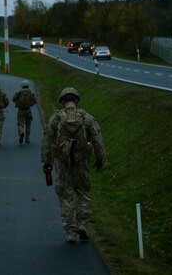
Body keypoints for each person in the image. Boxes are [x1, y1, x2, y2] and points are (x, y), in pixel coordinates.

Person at [41, 87, 106, 244]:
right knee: (82, 192)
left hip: (63, 164)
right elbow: (98, 140)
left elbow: (47, 141)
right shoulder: (86, 117)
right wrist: (100, 159)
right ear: (76, 101)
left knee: (65, 195)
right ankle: (82, 224)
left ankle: (70, 231)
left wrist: (46, 162)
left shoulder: (56, 118)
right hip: (82, 162)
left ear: (63, 101)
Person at [12, 80, 37, 144]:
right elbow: (35, 101)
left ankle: (21, 132)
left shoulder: (19, 92)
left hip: (20, 110)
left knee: (20, 123)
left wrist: (17, 101)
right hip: (28, 110)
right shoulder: (30, 92)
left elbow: (13, 99)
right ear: (28, 85)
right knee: (28, 125)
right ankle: (27, 138)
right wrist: (31, 103)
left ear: (22, 86)